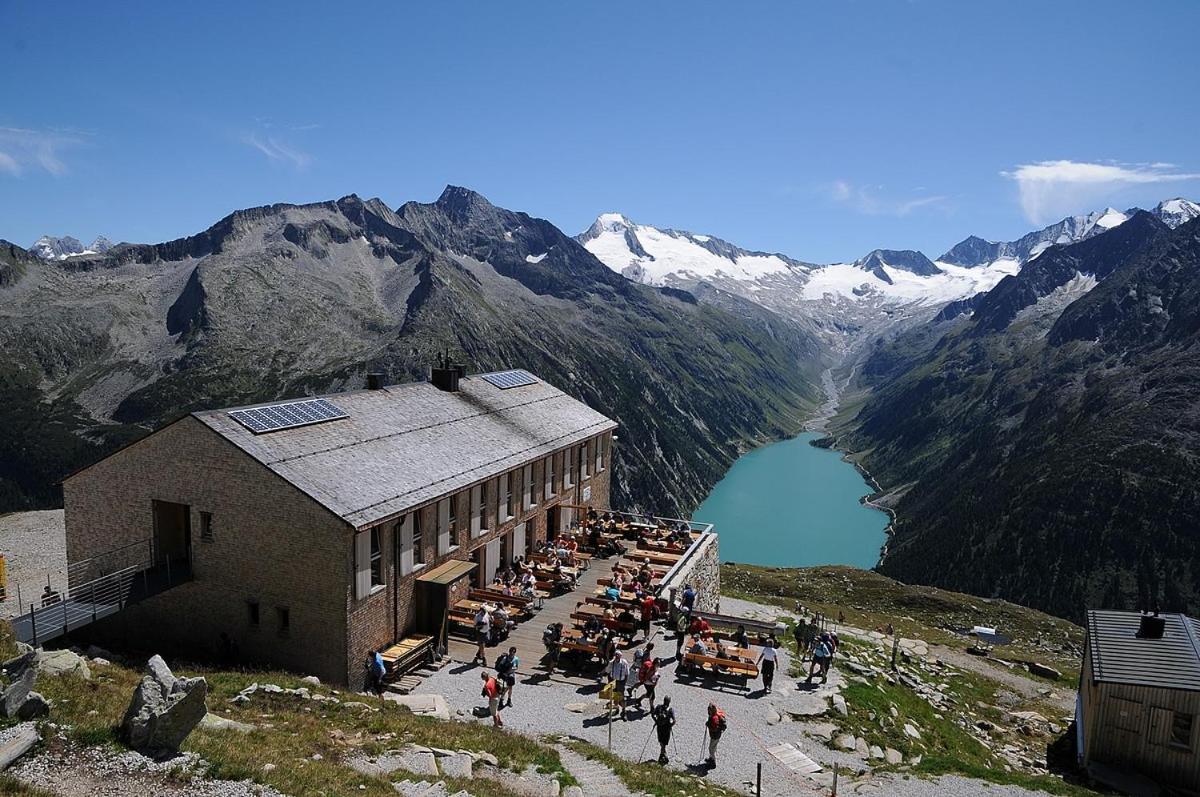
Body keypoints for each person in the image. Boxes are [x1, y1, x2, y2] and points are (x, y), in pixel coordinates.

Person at [606, 651, 630, 720]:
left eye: (618, 656)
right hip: (613, 682)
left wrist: (624, 683)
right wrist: (609, 682)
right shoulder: (611, 663)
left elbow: (627, 673)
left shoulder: (624, 663)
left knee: (622, 698)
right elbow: (608, 671)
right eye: (615, 655)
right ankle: (617, 709)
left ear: (620, 656)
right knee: (615, 697)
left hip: (621, 682)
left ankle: (624, 712)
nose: (616, 657)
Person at [652, 695, 676, 765]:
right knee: (663, 743)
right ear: (669, 702)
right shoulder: (671, 710)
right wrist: (670, 725)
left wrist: (656, 721)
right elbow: (674, 721)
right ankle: (663, 756)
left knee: (661, 742)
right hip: (666, 728)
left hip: (659, 727)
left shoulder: (659, 707)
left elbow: (653, 715)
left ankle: (662, 756)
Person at [704, 703, 727, 768]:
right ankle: (711, 758)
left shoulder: (714, 718)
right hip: (716, 735)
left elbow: (714, 728)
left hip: (715, 736)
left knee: (711, 749)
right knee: (713, 748)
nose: (708, 711)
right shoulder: (714, 715)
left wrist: (708, 725)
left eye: (709, 710)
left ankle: (713, 763)